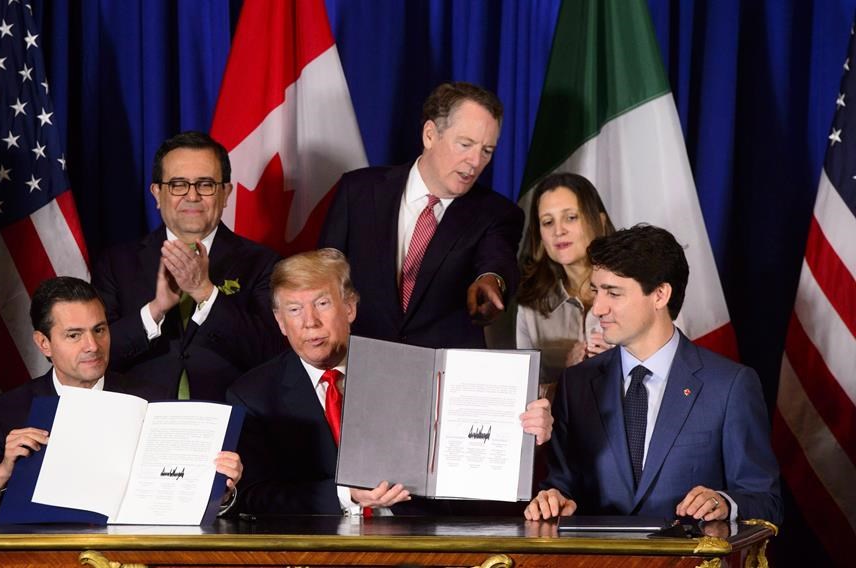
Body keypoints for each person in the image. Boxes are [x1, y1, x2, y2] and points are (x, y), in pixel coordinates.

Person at [227, 249, 552, 515]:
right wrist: (347, 495)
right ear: (280, 322)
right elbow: (254, 497)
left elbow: (470, 466)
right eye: (294, 309)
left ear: (350, 307)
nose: (310, 322)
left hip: (423, 546)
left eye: (322, 304)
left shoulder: (416, 369)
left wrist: (524, 437)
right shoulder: (253, 395)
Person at [525, 225, 782, 525]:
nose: (597, 308)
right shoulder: (577, 383)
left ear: (660, 295)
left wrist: (724, 502)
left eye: (614, 293)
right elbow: (561, 485)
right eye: (596, 290)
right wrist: (553, 499)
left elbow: (766, 501)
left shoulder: (730, 386)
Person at [0, 277, 243, 522]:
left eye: (100, 330)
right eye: (74, 335)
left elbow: (179, 493)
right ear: (44, 343)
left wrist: (222, 493)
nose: (92, 346)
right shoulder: (10, 410)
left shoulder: (152, 400)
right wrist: (1, 473)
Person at [319, 82, 523, 349]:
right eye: (465, 144)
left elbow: (496, 261)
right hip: (361, 361)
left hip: (442, 373)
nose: (475, 161)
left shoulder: (496, 213)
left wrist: (492, 282)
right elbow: (324, 274)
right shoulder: (358, 192)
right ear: (430, 135)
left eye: (486, 151)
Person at [93, 131, 283, 401]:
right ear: (157, 193)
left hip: (231, 423)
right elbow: (95, 354)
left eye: (205, 184)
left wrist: (206, 293)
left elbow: (273, 354)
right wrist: (154, 311)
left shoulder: (264, 263)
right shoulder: (115, 263)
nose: (192, 196)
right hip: (141, 420)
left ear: (226, 193)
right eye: (178, 184)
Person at [515, 173, 616, 397]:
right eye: (548, 222)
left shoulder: (639, 288)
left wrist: (623, 362)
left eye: (571, 217)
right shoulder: (530, 306)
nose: (558, 231)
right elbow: (523, 396)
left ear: (599, 221)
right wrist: (568, 379)